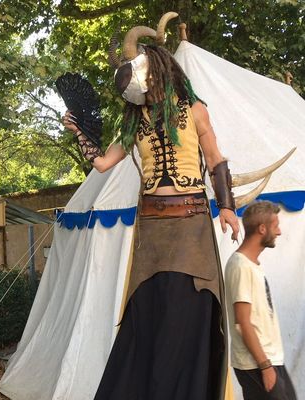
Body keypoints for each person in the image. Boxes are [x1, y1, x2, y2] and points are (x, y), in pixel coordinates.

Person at [63, 12, 240, 400]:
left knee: (185, 318)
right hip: (152, 234)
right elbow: (103, 163)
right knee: (146, 318)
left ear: (154, 68)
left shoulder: (195, 110)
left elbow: (215, 160)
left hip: (192, 229)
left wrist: (226, 207)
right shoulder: (133, 121)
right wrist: (79, 131)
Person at [225, 201, 297, 399]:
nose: (279, 232)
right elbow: (242, 322)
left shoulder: (252, 264)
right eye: (276, 226)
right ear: (262, 228)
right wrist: (264, 366)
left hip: (269, 359)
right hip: (256, 363)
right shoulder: (240, 266)